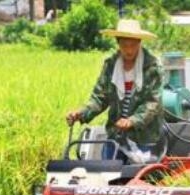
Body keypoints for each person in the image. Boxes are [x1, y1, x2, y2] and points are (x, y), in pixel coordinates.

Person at [66, 19, 165, 163]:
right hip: (116, 134)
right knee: (108, 175)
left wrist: (132, 121)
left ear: (139, 43)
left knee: (141, 177)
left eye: (133, 45)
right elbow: (99, 98)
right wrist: (81, 113)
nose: (129, 50)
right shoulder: (111, 65)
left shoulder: (152, 67)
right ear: (118, 43)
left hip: (145, 137)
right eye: (125, 45)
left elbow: (153, 102)